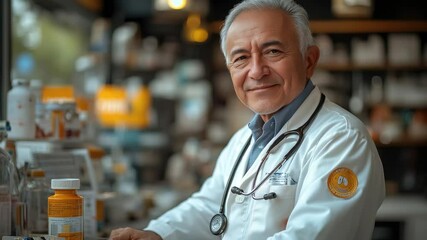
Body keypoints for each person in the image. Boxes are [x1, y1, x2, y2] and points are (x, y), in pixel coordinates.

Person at [109, 0, 386, 239]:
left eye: (273, 52)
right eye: (240, 58)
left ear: (308, 60)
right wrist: (157, 233)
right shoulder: (245, 139)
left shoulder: (342, 138)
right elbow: (211, 205)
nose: (256, 71)